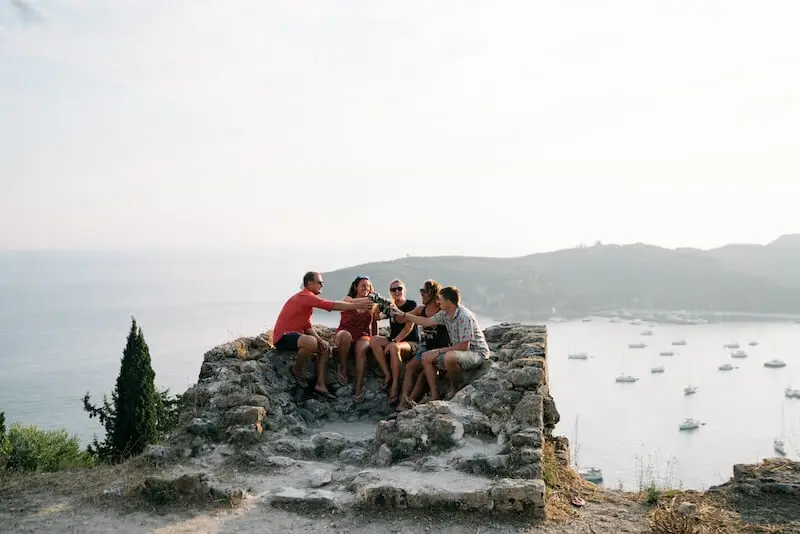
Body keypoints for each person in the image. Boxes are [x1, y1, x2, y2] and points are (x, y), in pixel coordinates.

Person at [273, 271, 373, 400]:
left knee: (324, 348)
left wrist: (320, 340)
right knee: (311, 342)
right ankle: (297, 370)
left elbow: (307, 325)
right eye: (320, 283)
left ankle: (320, 385)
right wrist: (357, 305)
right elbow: (329, 305)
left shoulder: (307, 300)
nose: (322, 285)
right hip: (283, 337)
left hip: (296, 336)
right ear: (310, 283)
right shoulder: (305, 295)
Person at [393, 285, 489, 401]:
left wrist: (438, 351)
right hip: (459, 352)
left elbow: (464, 346)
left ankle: (455, 387)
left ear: (448, 302)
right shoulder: (444, 314)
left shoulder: (464, 316)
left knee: (448, 357)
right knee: (426, 357)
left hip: (476, 353)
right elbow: (426, 321)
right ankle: (435, 396)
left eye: (440, 299)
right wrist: (403, 314)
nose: (438, 302)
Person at [395, 279, 450, 411]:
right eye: (421, 291)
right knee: (409, 368)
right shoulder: (421, 309)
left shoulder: (441, 310)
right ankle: (403, 402)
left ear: (433, 293)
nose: (422, 294)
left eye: (424, 291)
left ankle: (412, 403)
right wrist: (393, 310)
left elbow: (427, 322)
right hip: (426, 347)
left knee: (422, 375)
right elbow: (402, 319)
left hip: (441, 348)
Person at [368, 279, 420, 403]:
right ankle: (387, 374)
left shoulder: (411, 305)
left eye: (399, 288)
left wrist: (395, 341)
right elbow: (376, 318)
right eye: (393, 289)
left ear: (404, 290)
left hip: (410, 342)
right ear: (390, 292)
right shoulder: (390, 306)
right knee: (374, 340)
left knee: (394, 347)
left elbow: (409, 327)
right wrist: (378, 305)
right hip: (393, 340)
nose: (397, 291)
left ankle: (395, 384)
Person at [333, 275, 381, 403]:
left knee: (362, 350)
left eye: (368, 286)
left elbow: (375, 322)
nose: (366, 288)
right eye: (363, 285)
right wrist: (365, 302)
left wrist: (375, 338)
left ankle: (359, 385)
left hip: (362, 334)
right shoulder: (348, 299)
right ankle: (343, 367)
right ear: (356, 287)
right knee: (344, 336)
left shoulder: (373, 304)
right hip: (346, 331)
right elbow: (348, 302)